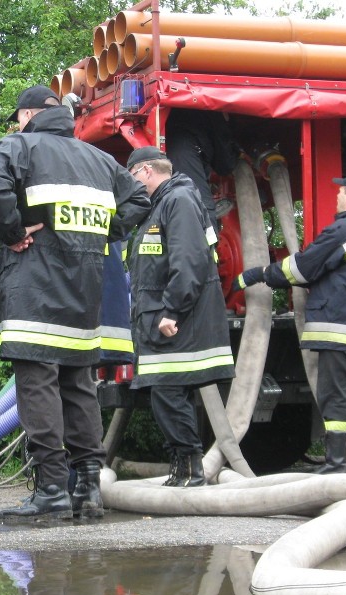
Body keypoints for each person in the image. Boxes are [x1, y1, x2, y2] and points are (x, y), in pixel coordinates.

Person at [0, 85, 150, 519]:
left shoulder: (20, 145)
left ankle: (51, 486)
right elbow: (141, 200)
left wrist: (13, 232)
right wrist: (105, 233)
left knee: (37, 383)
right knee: (77, 385)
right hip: (84, 290)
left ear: (29, 114)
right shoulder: (99, 159)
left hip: (35, 287)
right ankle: (88, 488)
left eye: (19, 117)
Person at [233, 172, 346, 473]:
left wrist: (260, 273)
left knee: (335, 398)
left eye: (340, 192)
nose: (337, 196)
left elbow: (300, 269)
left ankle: (337, 465)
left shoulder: (343, 231)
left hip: (338, 331)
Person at [126, 146, 236, 487]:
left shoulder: (178, 202)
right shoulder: (163, 205)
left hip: (177, 323)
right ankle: (184, 467)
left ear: (145, 171)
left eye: (132, 176)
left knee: (169, 395)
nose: (132, 184)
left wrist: (171, 310)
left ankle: (190, 468)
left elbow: (188, 262)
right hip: (167, 322)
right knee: (168, 396)